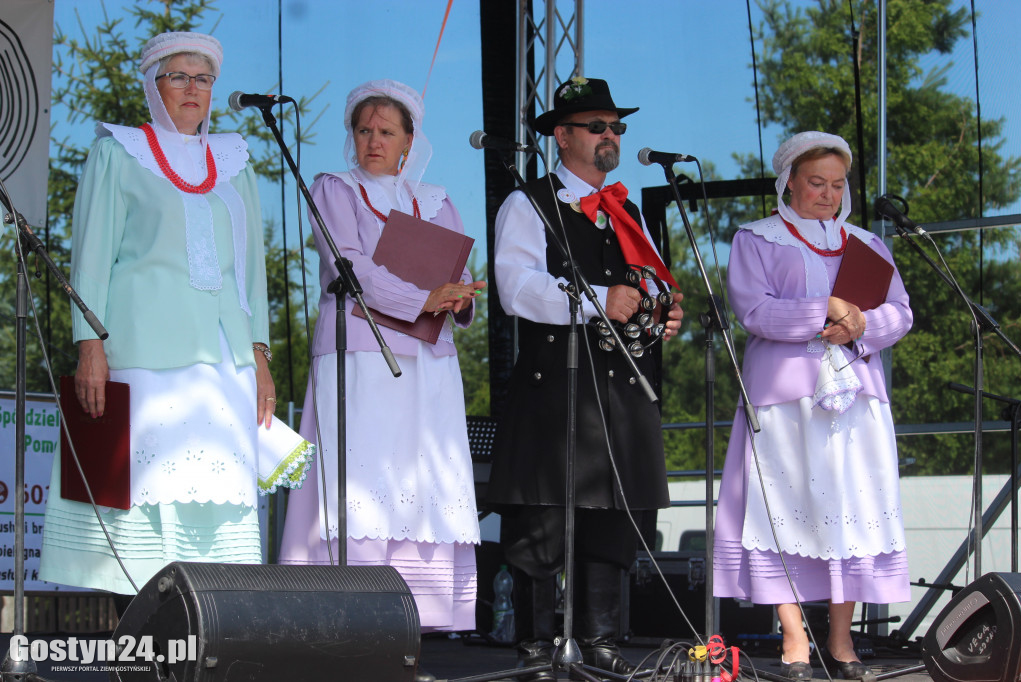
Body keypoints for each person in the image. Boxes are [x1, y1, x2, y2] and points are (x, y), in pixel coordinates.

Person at [39, 32, 312, 600]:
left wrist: (260, 360)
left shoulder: (235, 163)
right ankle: (138, 654)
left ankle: (198, 649)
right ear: (152, 85)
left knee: (212, 519)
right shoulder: (118, 151)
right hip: (141, 356)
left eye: (204, 78)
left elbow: (249, 274)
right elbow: (90, 258)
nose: (194, 88)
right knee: (141, 511)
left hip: (224, 361)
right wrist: (89, 346)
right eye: (179, 76)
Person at [277, 80, 483, 677]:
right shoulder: (333, 189)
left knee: (424, 483)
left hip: (429, 363)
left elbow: (460, 276)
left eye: (385, 131)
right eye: (363, 129)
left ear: (409, 142)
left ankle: (405, 635)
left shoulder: (439, 201)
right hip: (359, 354)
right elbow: (349, 265)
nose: (372, 140)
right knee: (362, 488)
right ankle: (352, 628)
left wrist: (459, 299)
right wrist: (426, 296)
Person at [488, 77, 684, 680]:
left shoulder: (627, 211)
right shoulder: (530, 202)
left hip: (621, 384)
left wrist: (661, 312)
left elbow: (648, 283)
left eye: (616, 127)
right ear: (563, 135)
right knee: (544, 514)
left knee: (613, 513)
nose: (610, 135)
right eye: (597, 126)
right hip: (557, 382)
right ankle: (536, 642)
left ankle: (601, 638)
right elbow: (514, 287)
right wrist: (601, 298)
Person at [712, 131, 913, 681]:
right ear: (790, 184)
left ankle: (841, 639)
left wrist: (864, 323)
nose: (827, 194)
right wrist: (823, 310)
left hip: (855, 397)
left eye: (837, 184)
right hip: (784, 396)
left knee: (848, 511)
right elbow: (753, 311)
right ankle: (795, 636)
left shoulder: (868, 244)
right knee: (784, 511)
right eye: (816, 183)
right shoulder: (756, 239)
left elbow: (901, 311)